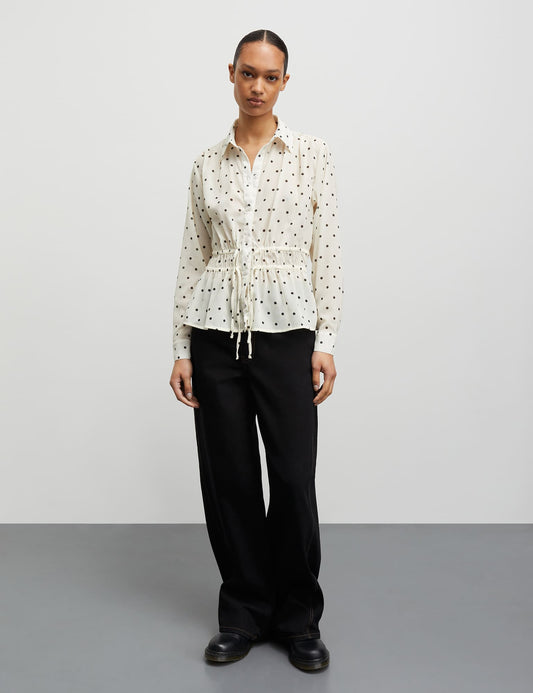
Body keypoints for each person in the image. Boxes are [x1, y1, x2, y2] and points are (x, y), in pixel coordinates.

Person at [169, 29, 343, 672]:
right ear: (232, 74)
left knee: (293, 477)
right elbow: (194, 257)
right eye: (248, 73)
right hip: (215, 335)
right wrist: (182, 346)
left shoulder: (313, 155)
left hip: (288, 334)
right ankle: (243, 612)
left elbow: (328, 251)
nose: (257, 87)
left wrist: (326, 340)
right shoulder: (205, 164)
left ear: (285, 83)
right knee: (231, 478)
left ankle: (299, 618)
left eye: (270, 77)